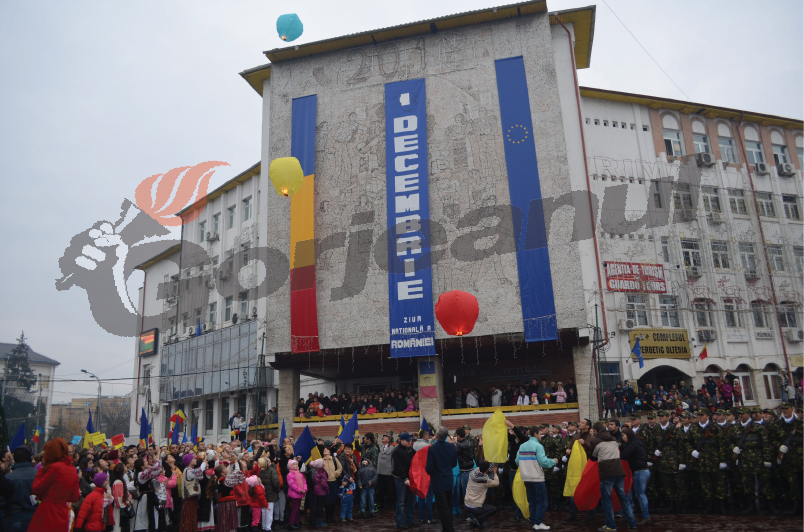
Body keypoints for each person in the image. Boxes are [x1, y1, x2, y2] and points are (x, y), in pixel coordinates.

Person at [590, 422, 638, 531]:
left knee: (607, 500)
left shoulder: (596, 441)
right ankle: (632, 522)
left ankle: (610, 525)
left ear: (596, 431)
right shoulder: (614, 440)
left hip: (607, 472)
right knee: (623, 498)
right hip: (618, 470)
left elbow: (593, 457)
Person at [30, 438, 80, 532]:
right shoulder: (73, 469)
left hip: (47, 512)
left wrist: (42, 468)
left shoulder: (55, 467)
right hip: (62, 512)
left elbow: (36, 489)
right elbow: (74, 497)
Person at [515, 425, 556, 531]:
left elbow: (516, 461)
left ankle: (534, 522)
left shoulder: (522, 445)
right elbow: (544, 462)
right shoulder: (538, 446)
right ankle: (538, 522)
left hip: (525, 477)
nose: (541, 436)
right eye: (540, 434)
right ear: (535, 434)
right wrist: (554, 461)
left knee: (532, 501)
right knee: (542, 501)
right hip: (537, 477)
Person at [425, 427, 457, 532]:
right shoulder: (452, 447)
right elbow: (454, 464)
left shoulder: (432, 449)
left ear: (437, 436)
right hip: (448, 479)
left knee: (442, 507)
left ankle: (449, 528)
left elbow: (429, 468)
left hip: (438, 481)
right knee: (448, 505)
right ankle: (447, 527)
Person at [620, 428, 650, 525]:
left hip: (640, 471)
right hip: (644, 470)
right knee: (641, 494)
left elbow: (624, 455)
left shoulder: (633, 445)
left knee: (641, 495)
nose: (622, 437)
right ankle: (645, 515)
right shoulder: (637, 442)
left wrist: (621, 446)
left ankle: (646, 516)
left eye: (624, 435)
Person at [5, 446, 37, 531]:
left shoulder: (8, 477)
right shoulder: (39, 475)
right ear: (30, 458)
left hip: (14, 518)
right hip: (35, 518)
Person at [464, 460, 499, 529]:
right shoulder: (485, 480)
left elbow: (478, 469)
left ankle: (476, 519)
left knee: (482, 502)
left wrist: (484, 463)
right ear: (487, 470)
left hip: (467, 504)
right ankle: (478, 520)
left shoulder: (472, 473)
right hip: (476, 507)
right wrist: (494, 473)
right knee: (493, 509)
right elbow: (496, 483)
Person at [391, 432, 416, 529]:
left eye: (410, 440)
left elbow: (416, 457)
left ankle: (409, 520)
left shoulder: (410, 448)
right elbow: (398, 466)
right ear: (401, 440)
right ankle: (400, 522)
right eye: (408, 440)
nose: (410, 442)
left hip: (409, 478)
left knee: (412, 499)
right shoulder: (397, 451)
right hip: (401, 479)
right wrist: (405, 478)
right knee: (401, 501)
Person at [377, 434, 395, 512]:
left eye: (385, 437)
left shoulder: (392, 448)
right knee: (380, 488)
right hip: (380, 471)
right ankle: (381, 503)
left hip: (388, 471)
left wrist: (392, 470)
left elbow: (393, 460)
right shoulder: (380, 447)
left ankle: (391, 502)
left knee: (389, 488)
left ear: (388, 440)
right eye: (383, 437)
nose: (383, 438)